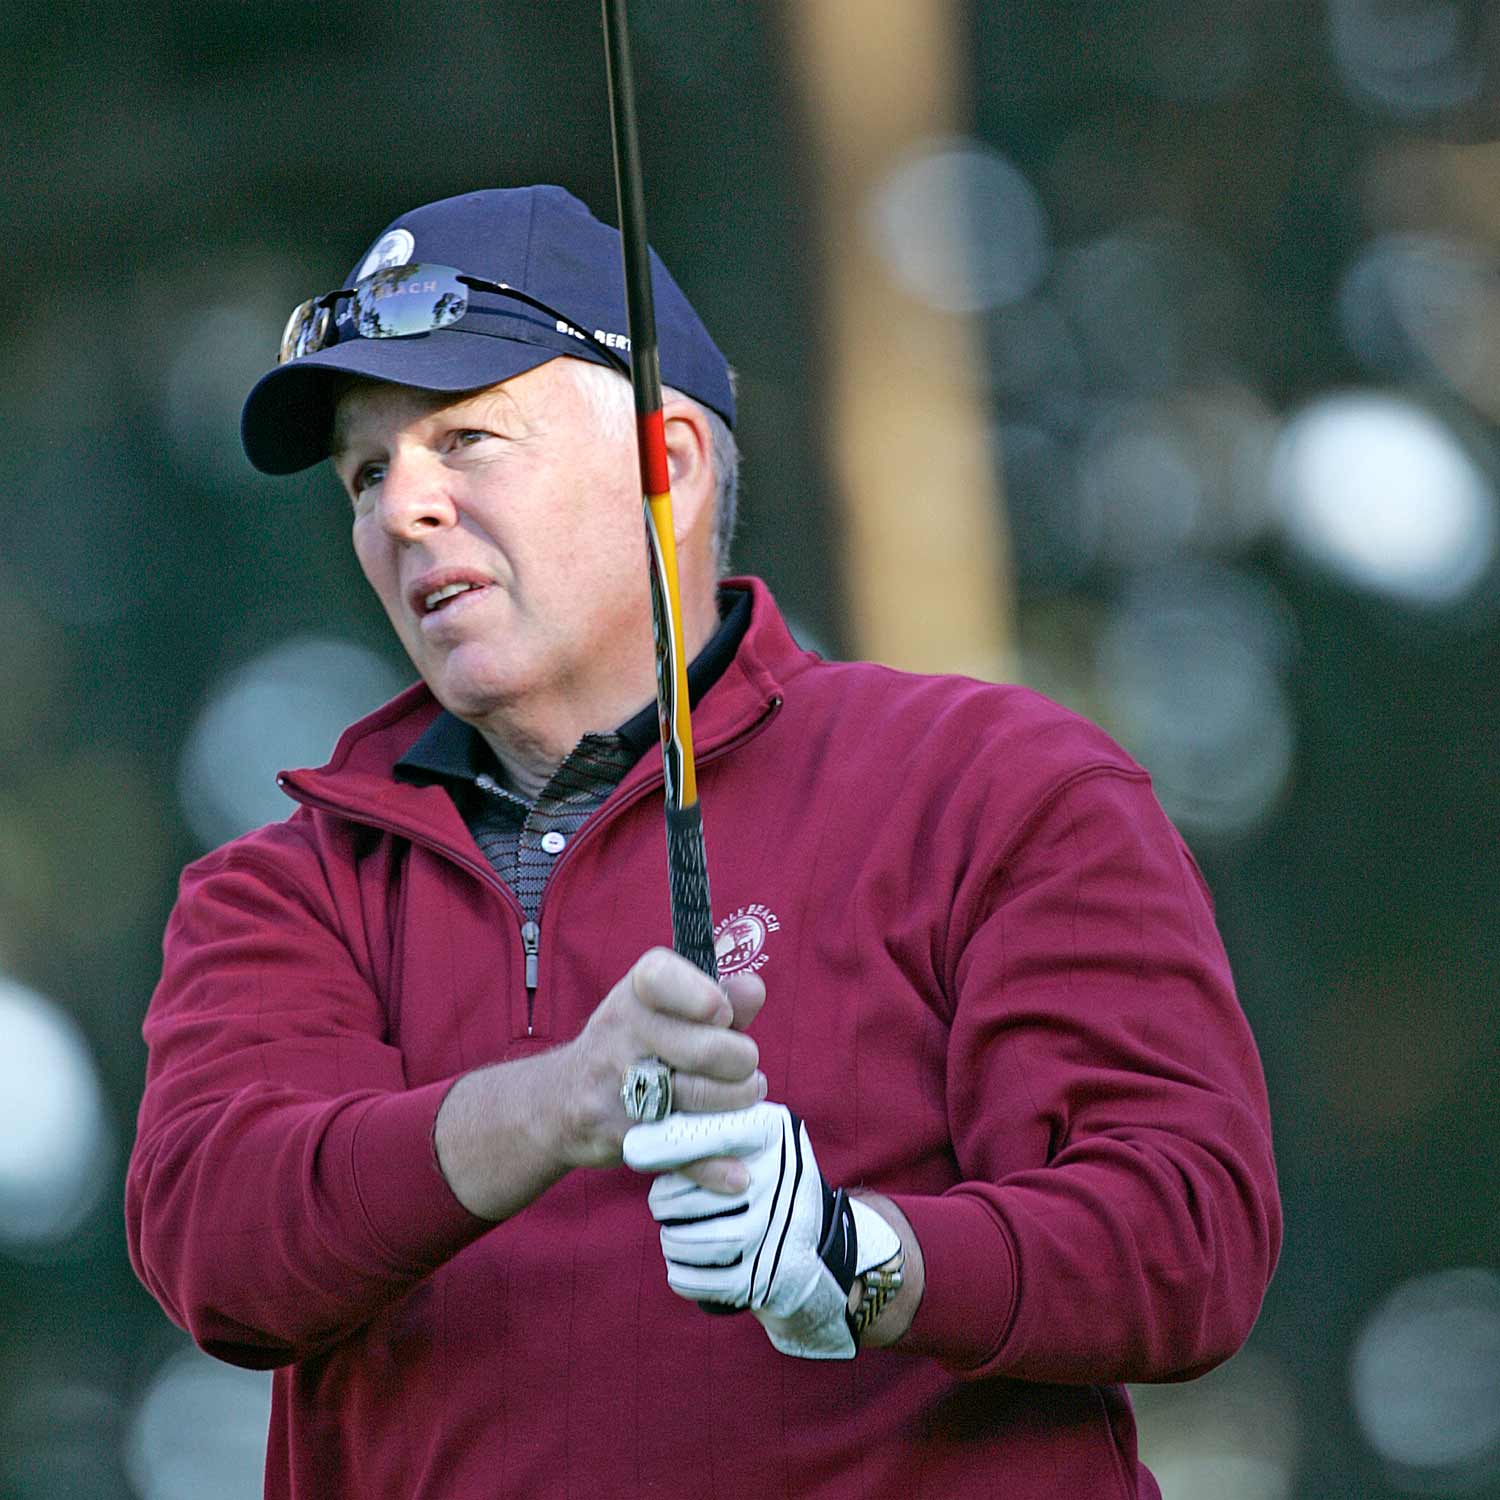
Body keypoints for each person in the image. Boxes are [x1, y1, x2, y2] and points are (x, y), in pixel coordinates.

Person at [126, 185, 1281, 1499]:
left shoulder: (992, 782)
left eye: (467, 441)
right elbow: (217, 1245)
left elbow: (1188, 1236)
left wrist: (863, 1258)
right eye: (368, 474)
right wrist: (565, 1102)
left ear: (665, 466)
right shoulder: (285, 890)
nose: (402, 512)